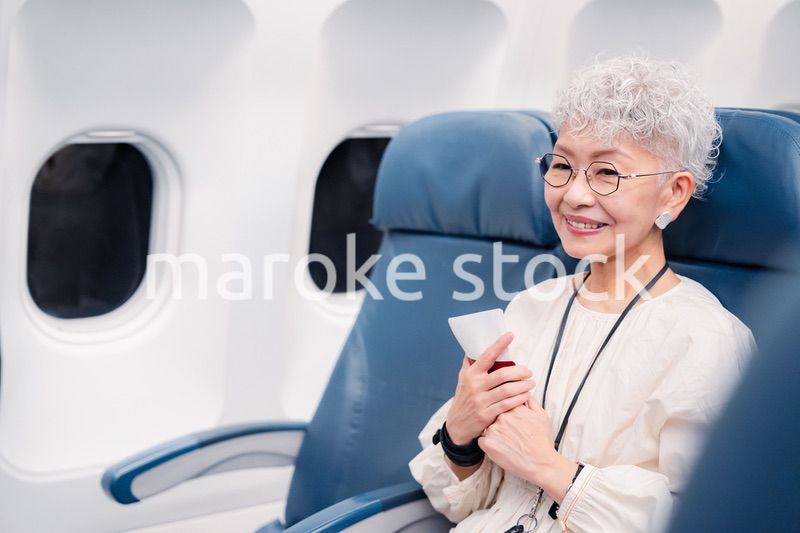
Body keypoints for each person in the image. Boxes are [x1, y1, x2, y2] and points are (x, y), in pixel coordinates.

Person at [409, 55, 755, 532]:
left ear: (673, 193)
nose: (573, 195)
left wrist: (551, 469)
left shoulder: (706, 341)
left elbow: (708, 518)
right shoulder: (531, 309)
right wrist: (461, 434)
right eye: (563, 165)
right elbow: (469, 502)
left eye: (607, 173)